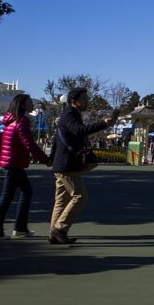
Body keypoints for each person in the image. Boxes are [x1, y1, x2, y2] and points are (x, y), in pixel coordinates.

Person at [49, 87, 114, 245]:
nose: (87, 101)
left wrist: (51, 158)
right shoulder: (70, 113)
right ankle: (60, 229)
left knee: (61, 200)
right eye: (84, 99)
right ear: (74, 101)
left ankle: (54, 233)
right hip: (66, 165)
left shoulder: (69, 114)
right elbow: (79, 131)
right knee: (80, 196)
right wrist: (102, 124)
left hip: (61, 163)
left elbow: (58, 139)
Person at [0, 94, 51, 240]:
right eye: (30, 103)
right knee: (7, 196)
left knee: (26, 191)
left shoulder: (11, 121)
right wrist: (45, 159)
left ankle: (20, 228)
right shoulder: (21, 122)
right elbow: (29, 144)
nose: (33, 105)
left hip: (12, 162)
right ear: (22, 105)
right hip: (13, 163)